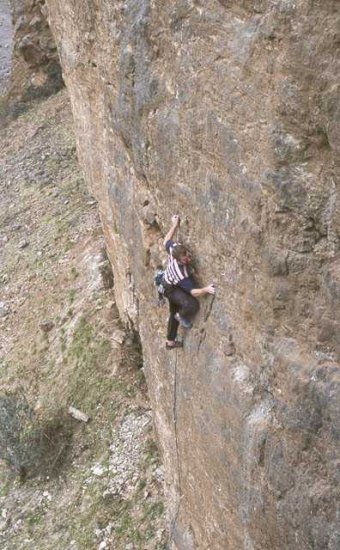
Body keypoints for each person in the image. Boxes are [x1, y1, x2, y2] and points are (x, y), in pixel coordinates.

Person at [163, 214, 216, 350]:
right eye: (184, 260)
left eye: (186, 255)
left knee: (173, 310)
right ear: (178, 260)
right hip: (171, 288)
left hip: (171, 281)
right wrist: (206, 289)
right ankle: (180, 316)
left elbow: (166, 240)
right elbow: (193, 292)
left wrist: (174, 224)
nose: (187, 259)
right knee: (192, 305)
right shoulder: (182, 274)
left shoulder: (175, 248)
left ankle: (170, 342)